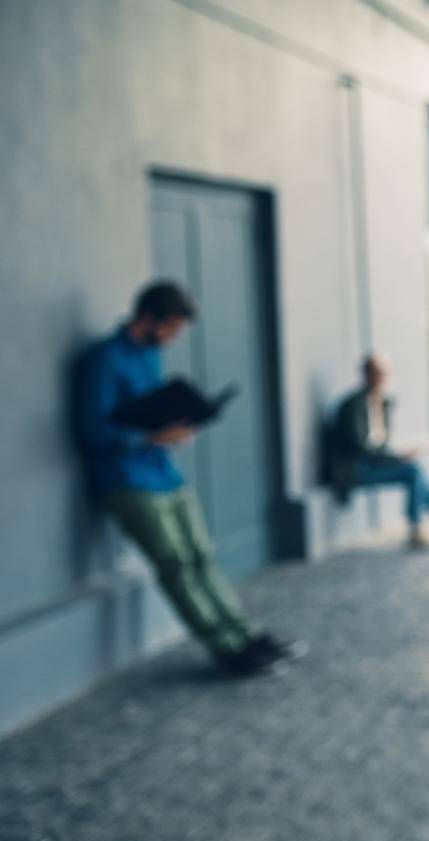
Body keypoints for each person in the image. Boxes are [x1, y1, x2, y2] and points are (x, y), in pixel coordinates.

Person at [77, 281, 305, 676]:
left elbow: (151, 410)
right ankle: (228, 649)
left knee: (201, 556)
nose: (173, 337)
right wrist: (150, 436)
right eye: (171, 328)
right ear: (148, 318)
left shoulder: (150, 356)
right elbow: (92, 430)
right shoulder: (105, 360)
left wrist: (178, 427)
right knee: (177, 565)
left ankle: (247, 634)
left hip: (165, 473)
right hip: (128, 481)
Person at [327, 353, 429, 550]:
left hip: (374, 462)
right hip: (353, 468)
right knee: (414, 471)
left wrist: (399, 454)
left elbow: (378, 444)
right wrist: (396, 457)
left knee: (418, 474)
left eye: (385, 374)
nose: (382, 379)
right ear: (366, 375)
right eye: (377, 373)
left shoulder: (384, 402)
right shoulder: (352, 405)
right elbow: (360, 447)